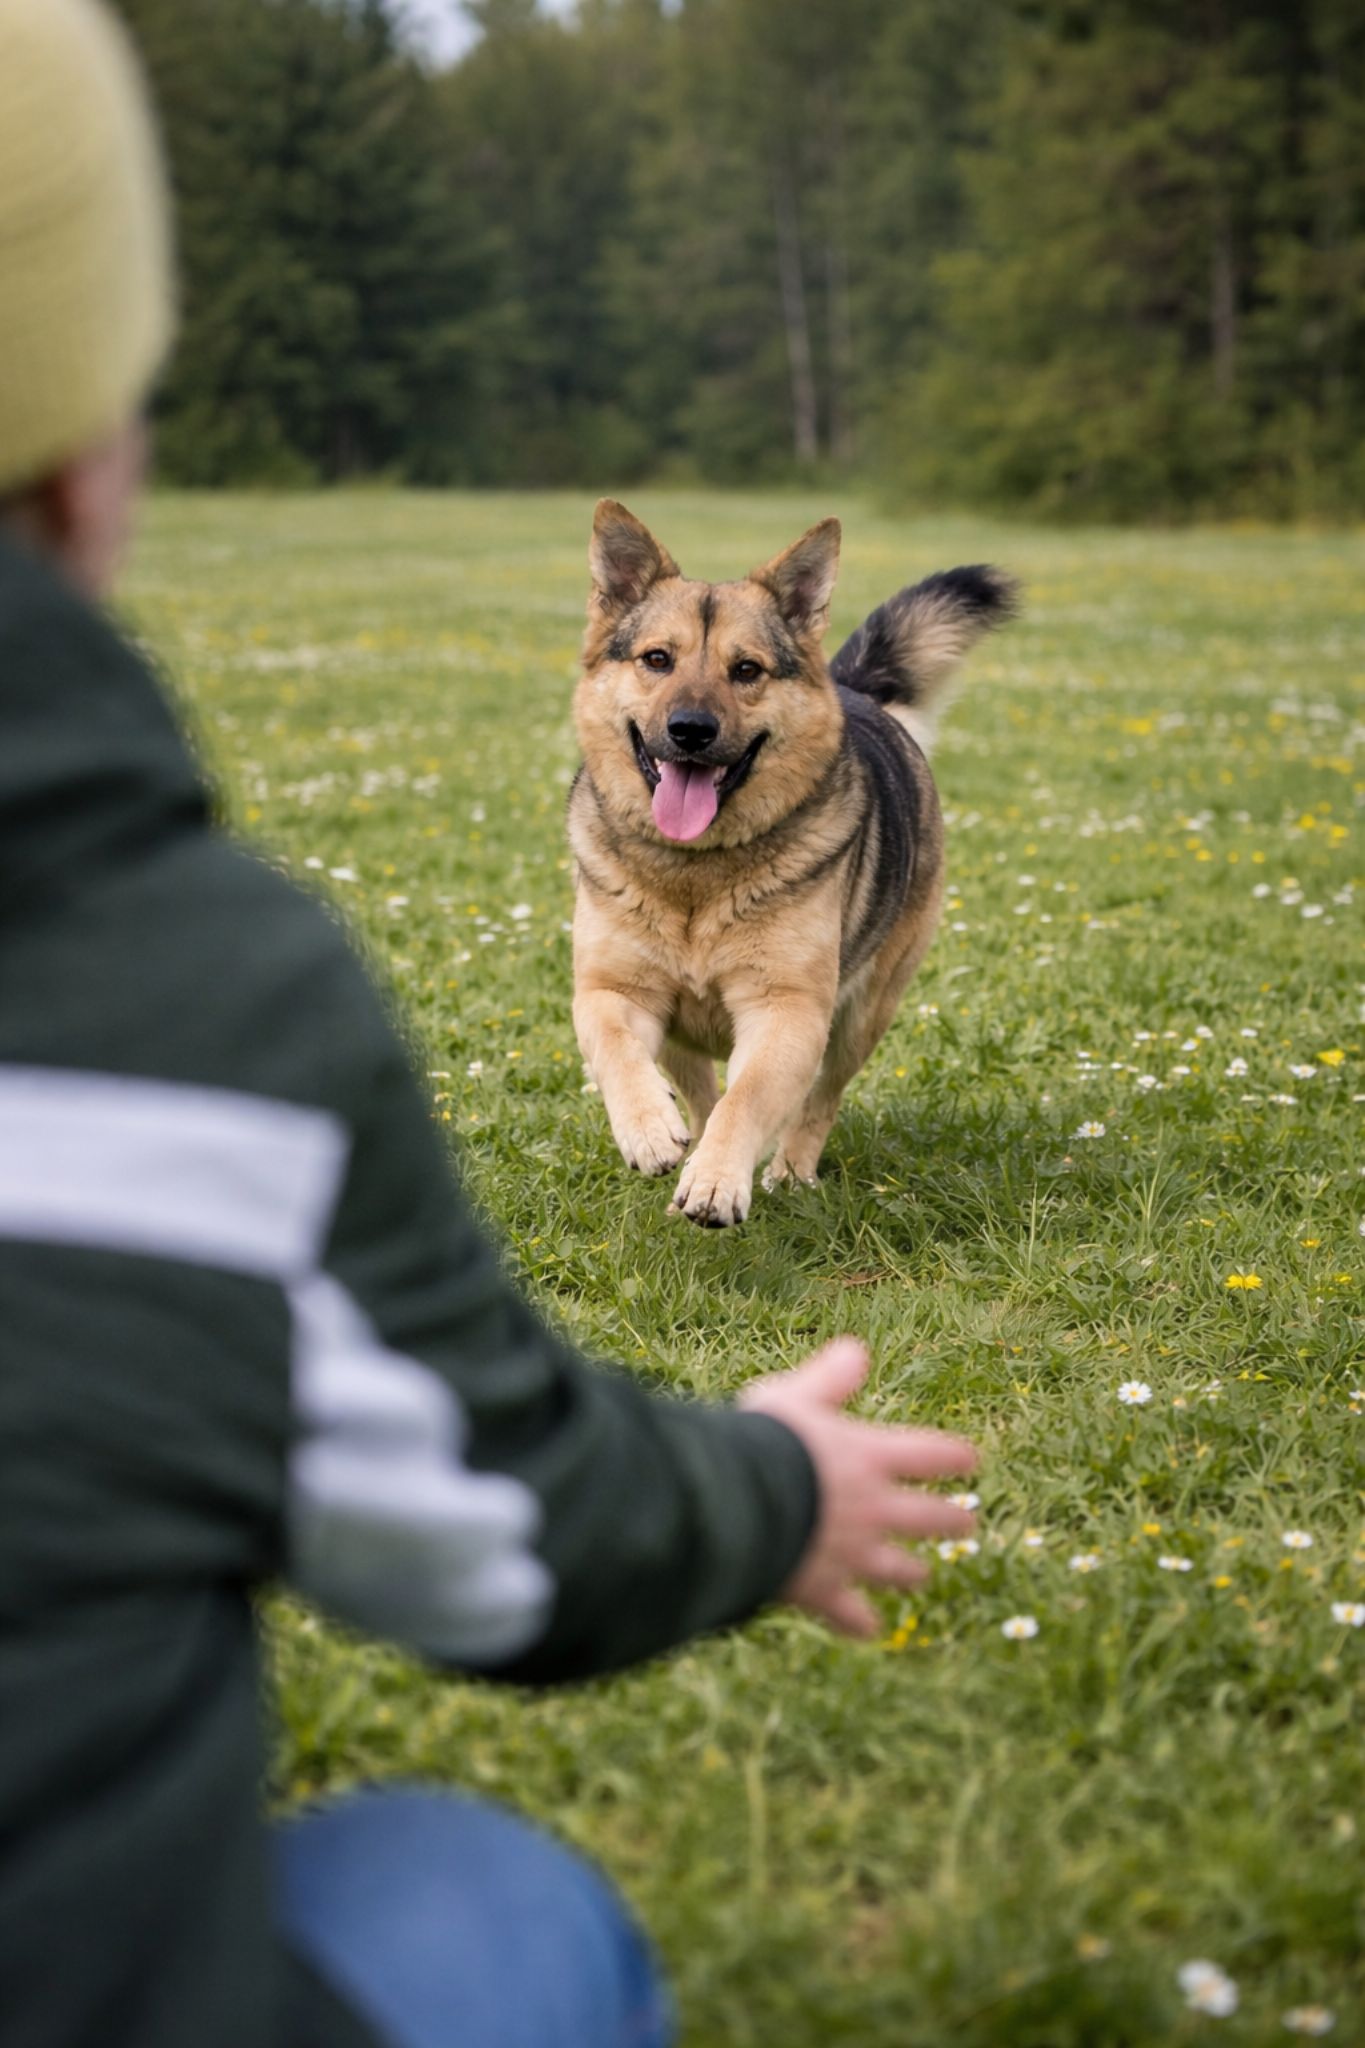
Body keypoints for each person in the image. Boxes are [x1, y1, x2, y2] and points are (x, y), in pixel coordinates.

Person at [0, 4, 979, 2045]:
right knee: (464, 1884)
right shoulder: (198, 997)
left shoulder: (828, 769)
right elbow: (481, 1535)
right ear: (96, 461)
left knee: (784, 1064)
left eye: (731, 671)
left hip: (802, 916)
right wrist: (768, 1487)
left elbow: (795, 995)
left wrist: (761, 1114)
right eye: (651, 664)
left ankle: (763, 1147)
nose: (689, 697)